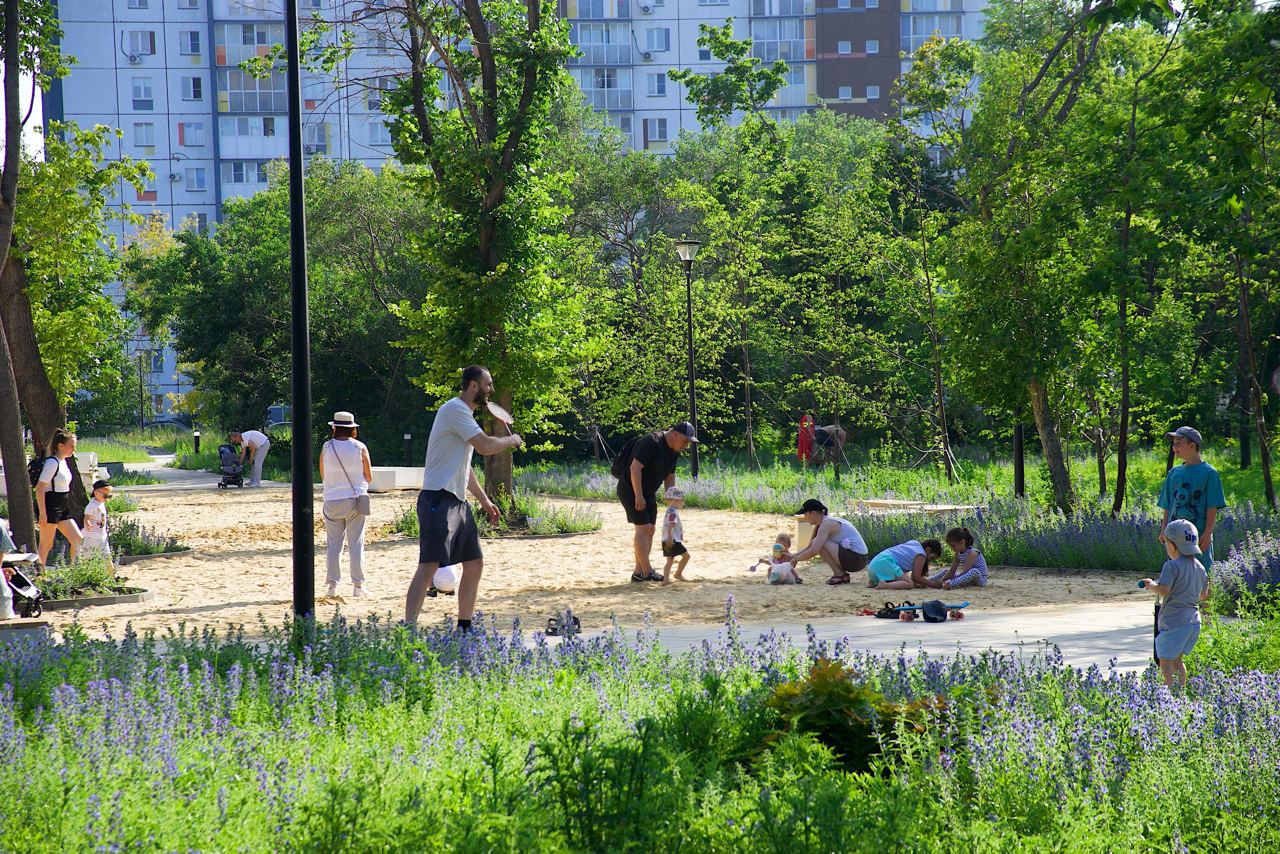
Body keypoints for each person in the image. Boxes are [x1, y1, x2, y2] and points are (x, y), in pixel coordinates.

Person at [404, 365, 522, 631]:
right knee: (428, 566)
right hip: (438, 499)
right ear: (473, 386)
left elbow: (464, 467)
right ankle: (407, 630)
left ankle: (465, 627)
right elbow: (484, 446)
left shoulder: (464, 415)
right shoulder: (455, 409)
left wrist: (483, 500)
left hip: (457, 501)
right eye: (488, 384)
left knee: (474, 563)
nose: (490, 390)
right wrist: (510, 439)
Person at [616, 422, 698, 583]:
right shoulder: (652, 442)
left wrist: (672, 501)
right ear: (675, 434)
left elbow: (670, 478)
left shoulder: (674, 451)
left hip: (648, 492)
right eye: (686, 440)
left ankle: (639, 572)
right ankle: (648, 572)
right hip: (630, 489)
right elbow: (635, 469)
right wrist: (638, 496)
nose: (686, 445)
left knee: (651, 529)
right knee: (643, 528)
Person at [1141, 519, 1209, 691]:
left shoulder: (1171, 566)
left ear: (1172, 546)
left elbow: (1163, 589)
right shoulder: (1200, 568)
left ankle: (1168, 695)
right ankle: (1181, 692)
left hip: (1174, 622)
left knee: (1165, 660)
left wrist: (1150, 585)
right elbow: (1203, 595)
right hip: (1193, 622)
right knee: (1178, 659)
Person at [318, 411, 373, 598]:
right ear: (352, 429)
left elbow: (323, 474)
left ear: (334, 427)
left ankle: (332, 585)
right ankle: (358, 586)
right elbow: (369, 476)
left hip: (332, 499)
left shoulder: (327, 447)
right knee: (356, 543)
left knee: (334, 545)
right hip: (354, 499)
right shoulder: (359, 447)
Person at [1157, 426, 1225, 572]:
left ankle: (1205, 596)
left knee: (1203, 573)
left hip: (1198, 537)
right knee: (1176, 574)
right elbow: (1167, 504)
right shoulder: (1174, 472)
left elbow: (1212, 506)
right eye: (1173, 443)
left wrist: (1207, 533)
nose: (1174, 447)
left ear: (1192, 445)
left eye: (1178, 443)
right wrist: (1163, 530)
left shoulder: (1209, 473)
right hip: (1174, 536)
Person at [788, 499, 870, 585]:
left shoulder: (826, 524)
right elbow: (810, 546)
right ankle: (842, 575)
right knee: (817, 542)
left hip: (857, 559)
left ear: (813, 513)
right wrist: (793, 556)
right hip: (857, 557)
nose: (805, 518)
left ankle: (839, 574)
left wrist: (795, 559)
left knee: (820, 544)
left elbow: (814, 550)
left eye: (805, 514)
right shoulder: (823, 523)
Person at [35, 429, 84, 566]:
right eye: (71, 446)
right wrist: (43, 513)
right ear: (60, 446)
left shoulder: (63, 462)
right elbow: (39, 488)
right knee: (46, 545)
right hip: (50, 506)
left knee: (77, 539)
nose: (74, 449)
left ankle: (76, 571)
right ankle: (40, 575)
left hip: (63, 505)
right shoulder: (52, 463)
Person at [866, 538, 944, 590]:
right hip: (887, 562)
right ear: (928, 550)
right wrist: (934, 584)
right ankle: (886, 585)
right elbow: (916, 577)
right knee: (909, 584)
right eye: (931, 558)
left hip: (875, 563)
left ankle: (873, 582)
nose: (929, 561)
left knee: (903, 580)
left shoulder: (914, 544)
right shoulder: (921, 555)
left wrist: (920, 583)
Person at [659, 486, 690, 585]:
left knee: (669, 561)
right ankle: (678, 574)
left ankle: (666, 580)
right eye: (682, 501)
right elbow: (671, 524)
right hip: (673, 540)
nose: (682, 503)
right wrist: (670, 537)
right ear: (676, 500)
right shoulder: (673, 511)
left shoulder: (670, 510)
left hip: (666, 539)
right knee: (686, 556)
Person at [80, 480, 114, 565]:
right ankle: (85, 575)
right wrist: (88, 524)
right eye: (105, 496)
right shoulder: (91, 506)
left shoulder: (101, 503)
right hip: (90, 537)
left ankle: (113, 576)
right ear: (96, 493)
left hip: (101, 536)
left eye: (109, 496)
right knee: (87, 558)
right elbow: (86, 517)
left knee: (107, 557)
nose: (107, 499)